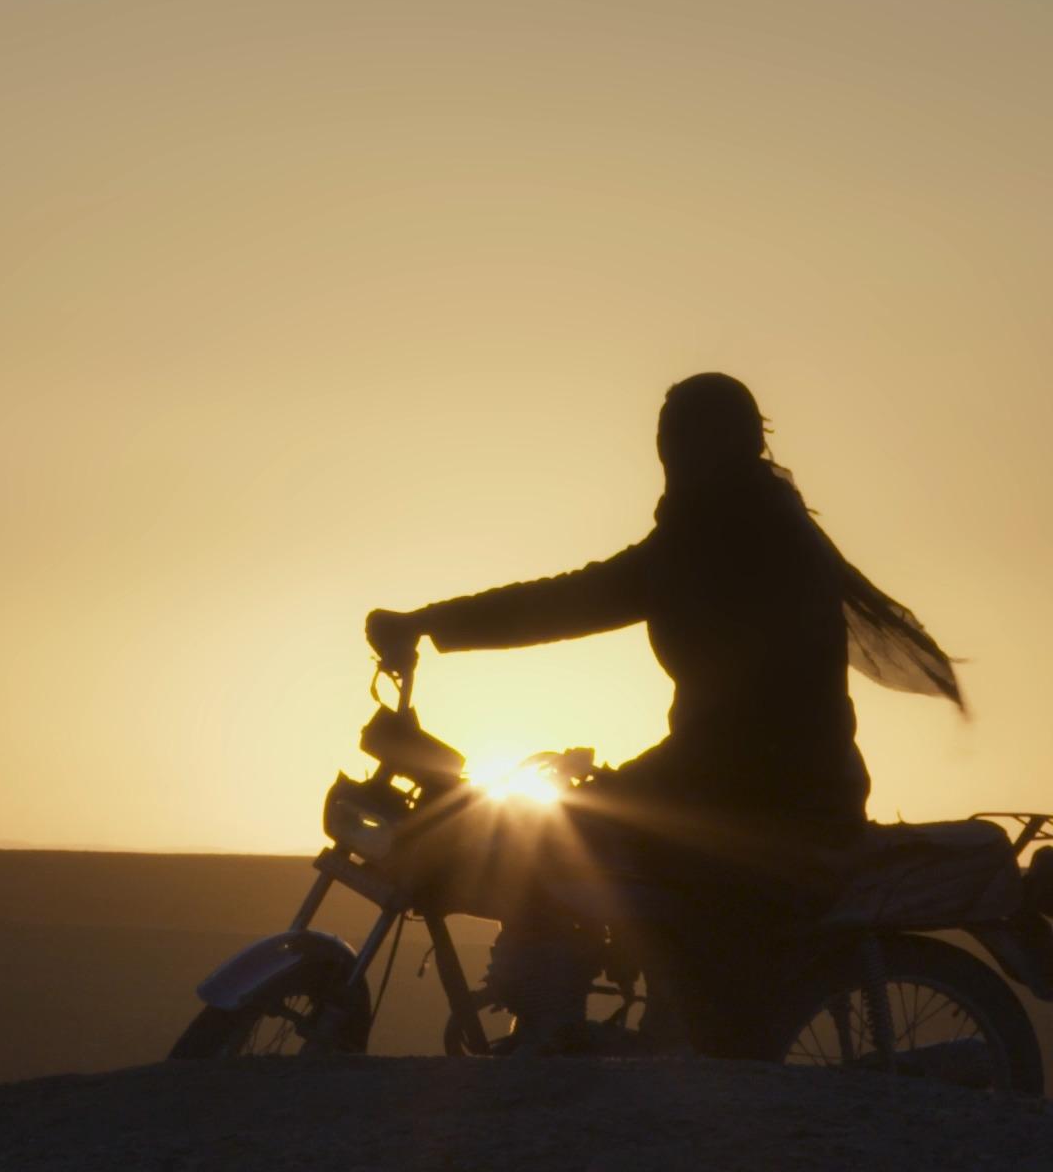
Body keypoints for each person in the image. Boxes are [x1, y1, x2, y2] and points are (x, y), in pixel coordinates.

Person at [365, 372, 962, 1049]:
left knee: (558, 834)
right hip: (731, 780)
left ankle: (596, 1041)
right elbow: (580, 598)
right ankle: (589, 1017)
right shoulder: (716, 527)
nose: (672, 454)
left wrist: (426, 624)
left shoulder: (741, 537)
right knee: (574, 824)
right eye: (666, 438)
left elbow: (739, 710)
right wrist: (431, 624)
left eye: (684, 438)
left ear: (724, 444)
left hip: (770, 796)